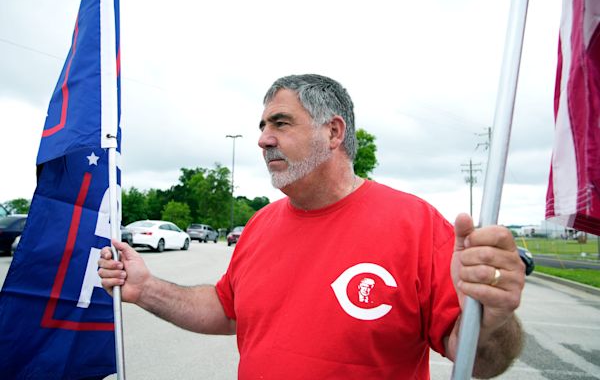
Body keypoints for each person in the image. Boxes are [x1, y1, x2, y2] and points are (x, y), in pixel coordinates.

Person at [99, 74, 525, 379]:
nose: (264, 139)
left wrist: (494, 320)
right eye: (263, 127)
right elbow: (227, 311)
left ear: (333, 131)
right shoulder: (261, 224)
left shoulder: (416, 224)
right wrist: (145, 288)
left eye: (280, 123)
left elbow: (475, 359)